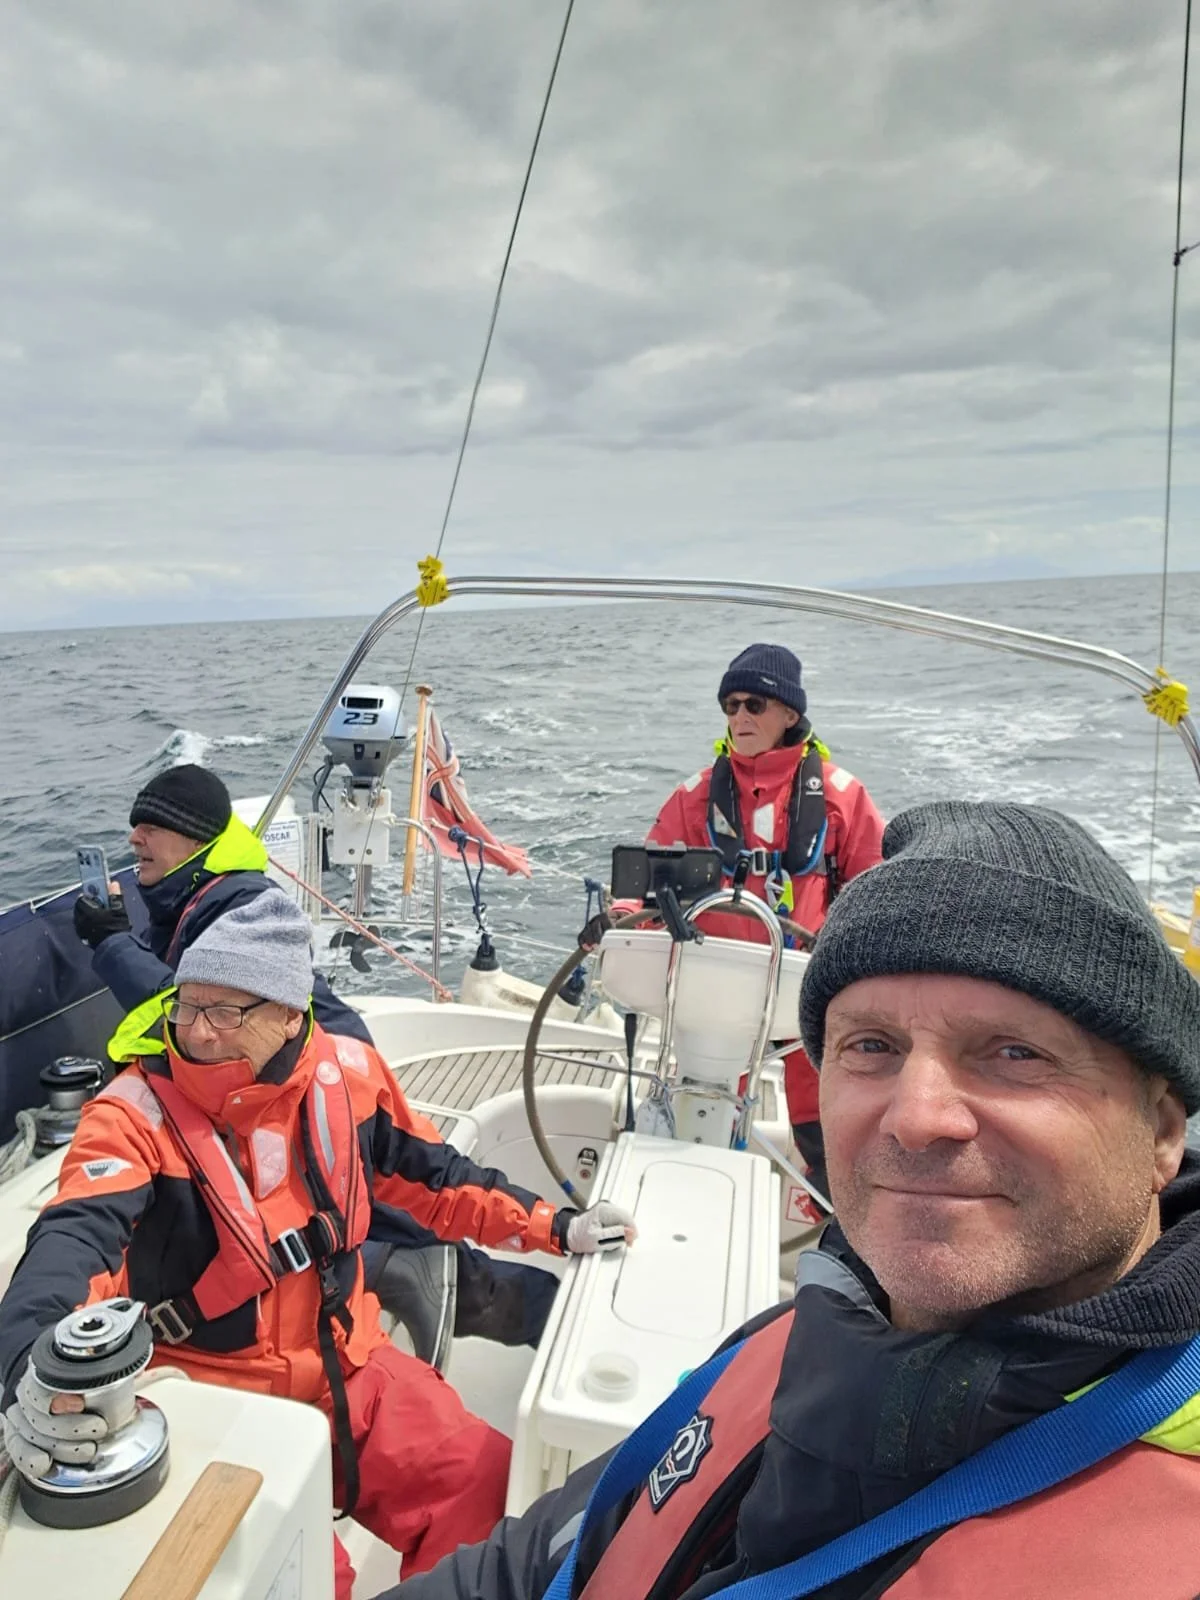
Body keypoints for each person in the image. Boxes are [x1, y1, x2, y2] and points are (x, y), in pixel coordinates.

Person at [384, 800, 1200, 1600]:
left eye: (1016, 1054)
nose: (916, 1119)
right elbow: (541, 1557)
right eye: (871, 1046)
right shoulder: (799, 1332)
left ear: (1161, 1131)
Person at [0, 891, 635, 1598]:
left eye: (224, 1011)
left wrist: (554, 1226)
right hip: (214, 1392)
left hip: (351, 1364)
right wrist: (29, 1365)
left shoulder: (349, 1082)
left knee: (483, 1485)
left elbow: (437, 1179)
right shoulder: (132, 1119)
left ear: (287, 1015)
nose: (197, 1032)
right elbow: (71, 1241)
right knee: (300, 1569)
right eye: (186, 1005)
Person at [73, 762, 561, 1358]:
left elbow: (197, 1018)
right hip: (278, 1091)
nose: (134, 838)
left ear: (195, 839)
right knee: (371, 1220)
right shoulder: (194, 899)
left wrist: (112, 943)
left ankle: (554, 1317)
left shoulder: (237, 908)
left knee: (403, 1224)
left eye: (151, 825)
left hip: (309, 1089)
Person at [648, 643, 884, 1198]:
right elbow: (647, 884)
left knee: (823, 1107)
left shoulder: (840, 797)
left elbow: (875, 887)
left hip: (807, 985)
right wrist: (627, 918)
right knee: (702, 1095)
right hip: (718, 985)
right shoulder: (696, 796)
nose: (739, 718)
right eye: (730, 706)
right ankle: (689, 1198)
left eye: (754, 704)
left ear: (789, 714)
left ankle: (835, 1211)